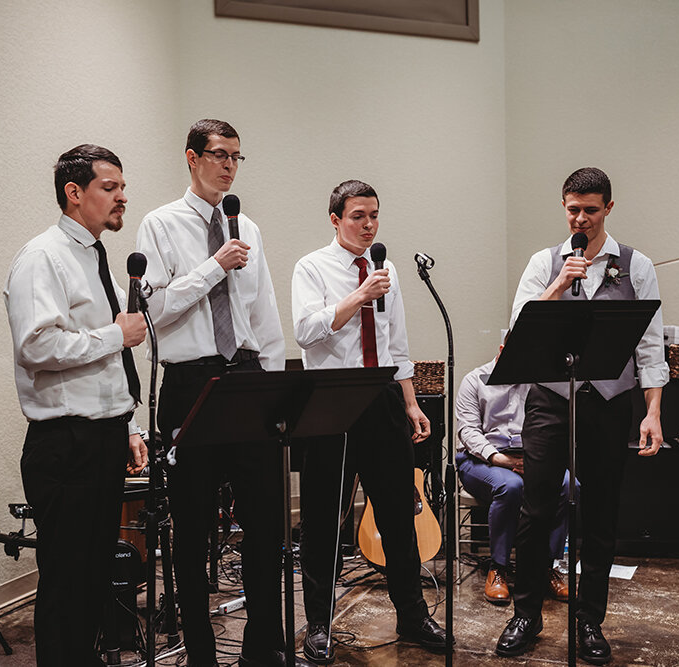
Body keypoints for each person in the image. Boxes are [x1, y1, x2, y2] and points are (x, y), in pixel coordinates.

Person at [136, 119, 307, 667]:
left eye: (237, 155)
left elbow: (264, 314)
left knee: (263, 523)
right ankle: (200, 654)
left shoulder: (247, 227)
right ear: (191, 158)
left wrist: (274, 386)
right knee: (191, 529)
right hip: (192, 382)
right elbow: (154, 311)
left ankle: (263, 647)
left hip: (250, 376)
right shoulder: (159, 224)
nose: (229, 165)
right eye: (218, 154)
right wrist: (214, 266)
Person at [495, 167, 667, 665]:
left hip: (609, 402)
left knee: (599, 513)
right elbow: (518, 326)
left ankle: (590, 620)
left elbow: (651, 346)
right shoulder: (543, 261)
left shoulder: (636, 265)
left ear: (608, 209)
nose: (581, 218)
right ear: (563, 207)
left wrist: (652, 412)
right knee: (537, 506)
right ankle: (525, 615)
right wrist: (557, 283)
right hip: (550, 401)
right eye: (573, 209)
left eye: (591, 210)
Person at [292, 180, 449, 664]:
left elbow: (396, 342)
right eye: (358, 215)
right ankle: (318, 622)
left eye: (374, 215)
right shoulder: (312, 267)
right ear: (336, 219)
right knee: (322, 518)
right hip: (332, 398)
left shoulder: (387, 268)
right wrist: (358, 295)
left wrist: (411, 401)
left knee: (399, 512)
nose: (368, 224)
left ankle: (413, 613)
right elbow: (305, 331)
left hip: (382, 395)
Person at [4, 144, 149, 666]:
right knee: (67, 583)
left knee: (93, 577)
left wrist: (128, 424)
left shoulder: (95, 255)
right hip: (65, 444)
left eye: (122, 188)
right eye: (110, 188)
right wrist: (114, 334)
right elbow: (37, 347)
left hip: (104, 437)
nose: (122, 198)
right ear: (74, 193)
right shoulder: (42, 257)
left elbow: (109, 362)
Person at [456, 336, 575, 606]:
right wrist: (501, 460)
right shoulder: (474, 380)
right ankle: (498, 568)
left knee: (569, 486)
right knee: (511, 487)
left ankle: (546, 566)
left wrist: (535, 460)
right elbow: (468, 431)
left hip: (532, 458)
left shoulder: (539, 384)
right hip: (482, 459)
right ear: (502, 350)